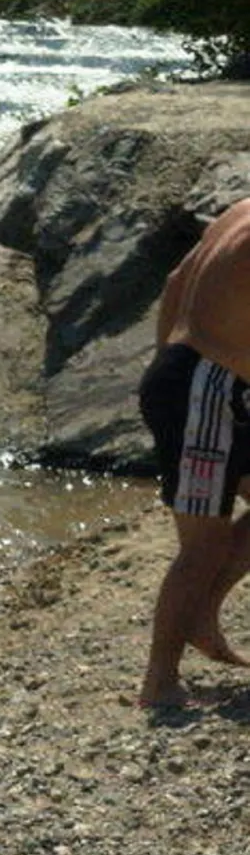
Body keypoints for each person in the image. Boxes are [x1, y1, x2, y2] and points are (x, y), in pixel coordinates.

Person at [136, 197, 250, 708]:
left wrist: (165, 363)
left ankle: (202, 615)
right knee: (203, 544)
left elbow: (172, 282)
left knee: (208, 542)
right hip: (206, 389)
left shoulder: (241, 210)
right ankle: (159, 682)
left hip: (201, 380)